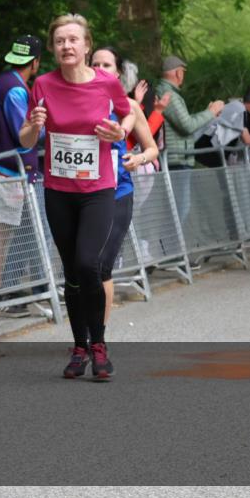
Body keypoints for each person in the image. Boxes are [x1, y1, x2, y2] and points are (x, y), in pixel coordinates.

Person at [21, 14, 131, 380]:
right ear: (53, 48)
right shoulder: (43, 84)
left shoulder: (107, 83)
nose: (67, 46)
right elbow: (24, 140)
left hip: (98, 190)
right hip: (59, 190)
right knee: (70, 271)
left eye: (73, 39)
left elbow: (128, 119)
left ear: (86, 44)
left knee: (88, 265)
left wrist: (118, 132)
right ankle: (79, 346)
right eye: (60, 41)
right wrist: (34, 126)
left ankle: (98, 345)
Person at [89, 47, 160, 328]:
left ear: (117, 72)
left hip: (118, 192)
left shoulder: (128, 106)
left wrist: (138, 158)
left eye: (107, 64)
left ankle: (97, 335)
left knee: (100, 265)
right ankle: (83, 333)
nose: (100, 68)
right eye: (95, 63)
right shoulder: (76, 101)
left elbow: (152, 148)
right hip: (84, 194)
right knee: (82, 267)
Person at [0, 34, 43, 317]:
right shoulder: (17, 90)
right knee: (0, 231)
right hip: (3, 169)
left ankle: (3, 291)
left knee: (3, 229)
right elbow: (23, 133)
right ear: (35, 63)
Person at [156, 55, 224, 226]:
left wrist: (208, 114)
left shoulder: (167, 92)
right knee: (178, 209)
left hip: (176, 159)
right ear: (178, 73)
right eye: (183, 72)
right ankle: (173, 251)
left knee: (177, 209)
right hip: (175, 160)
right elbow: (187, 126)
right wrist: (211, 112)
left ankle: (173, 250)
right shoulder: (168, 94)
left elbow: (186, 122)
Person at [193, 84, 250, 167]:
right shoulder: (240, 111)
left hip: (210, 152)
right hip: (205, 152)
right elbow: (247, 139)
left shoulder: (242, 110)